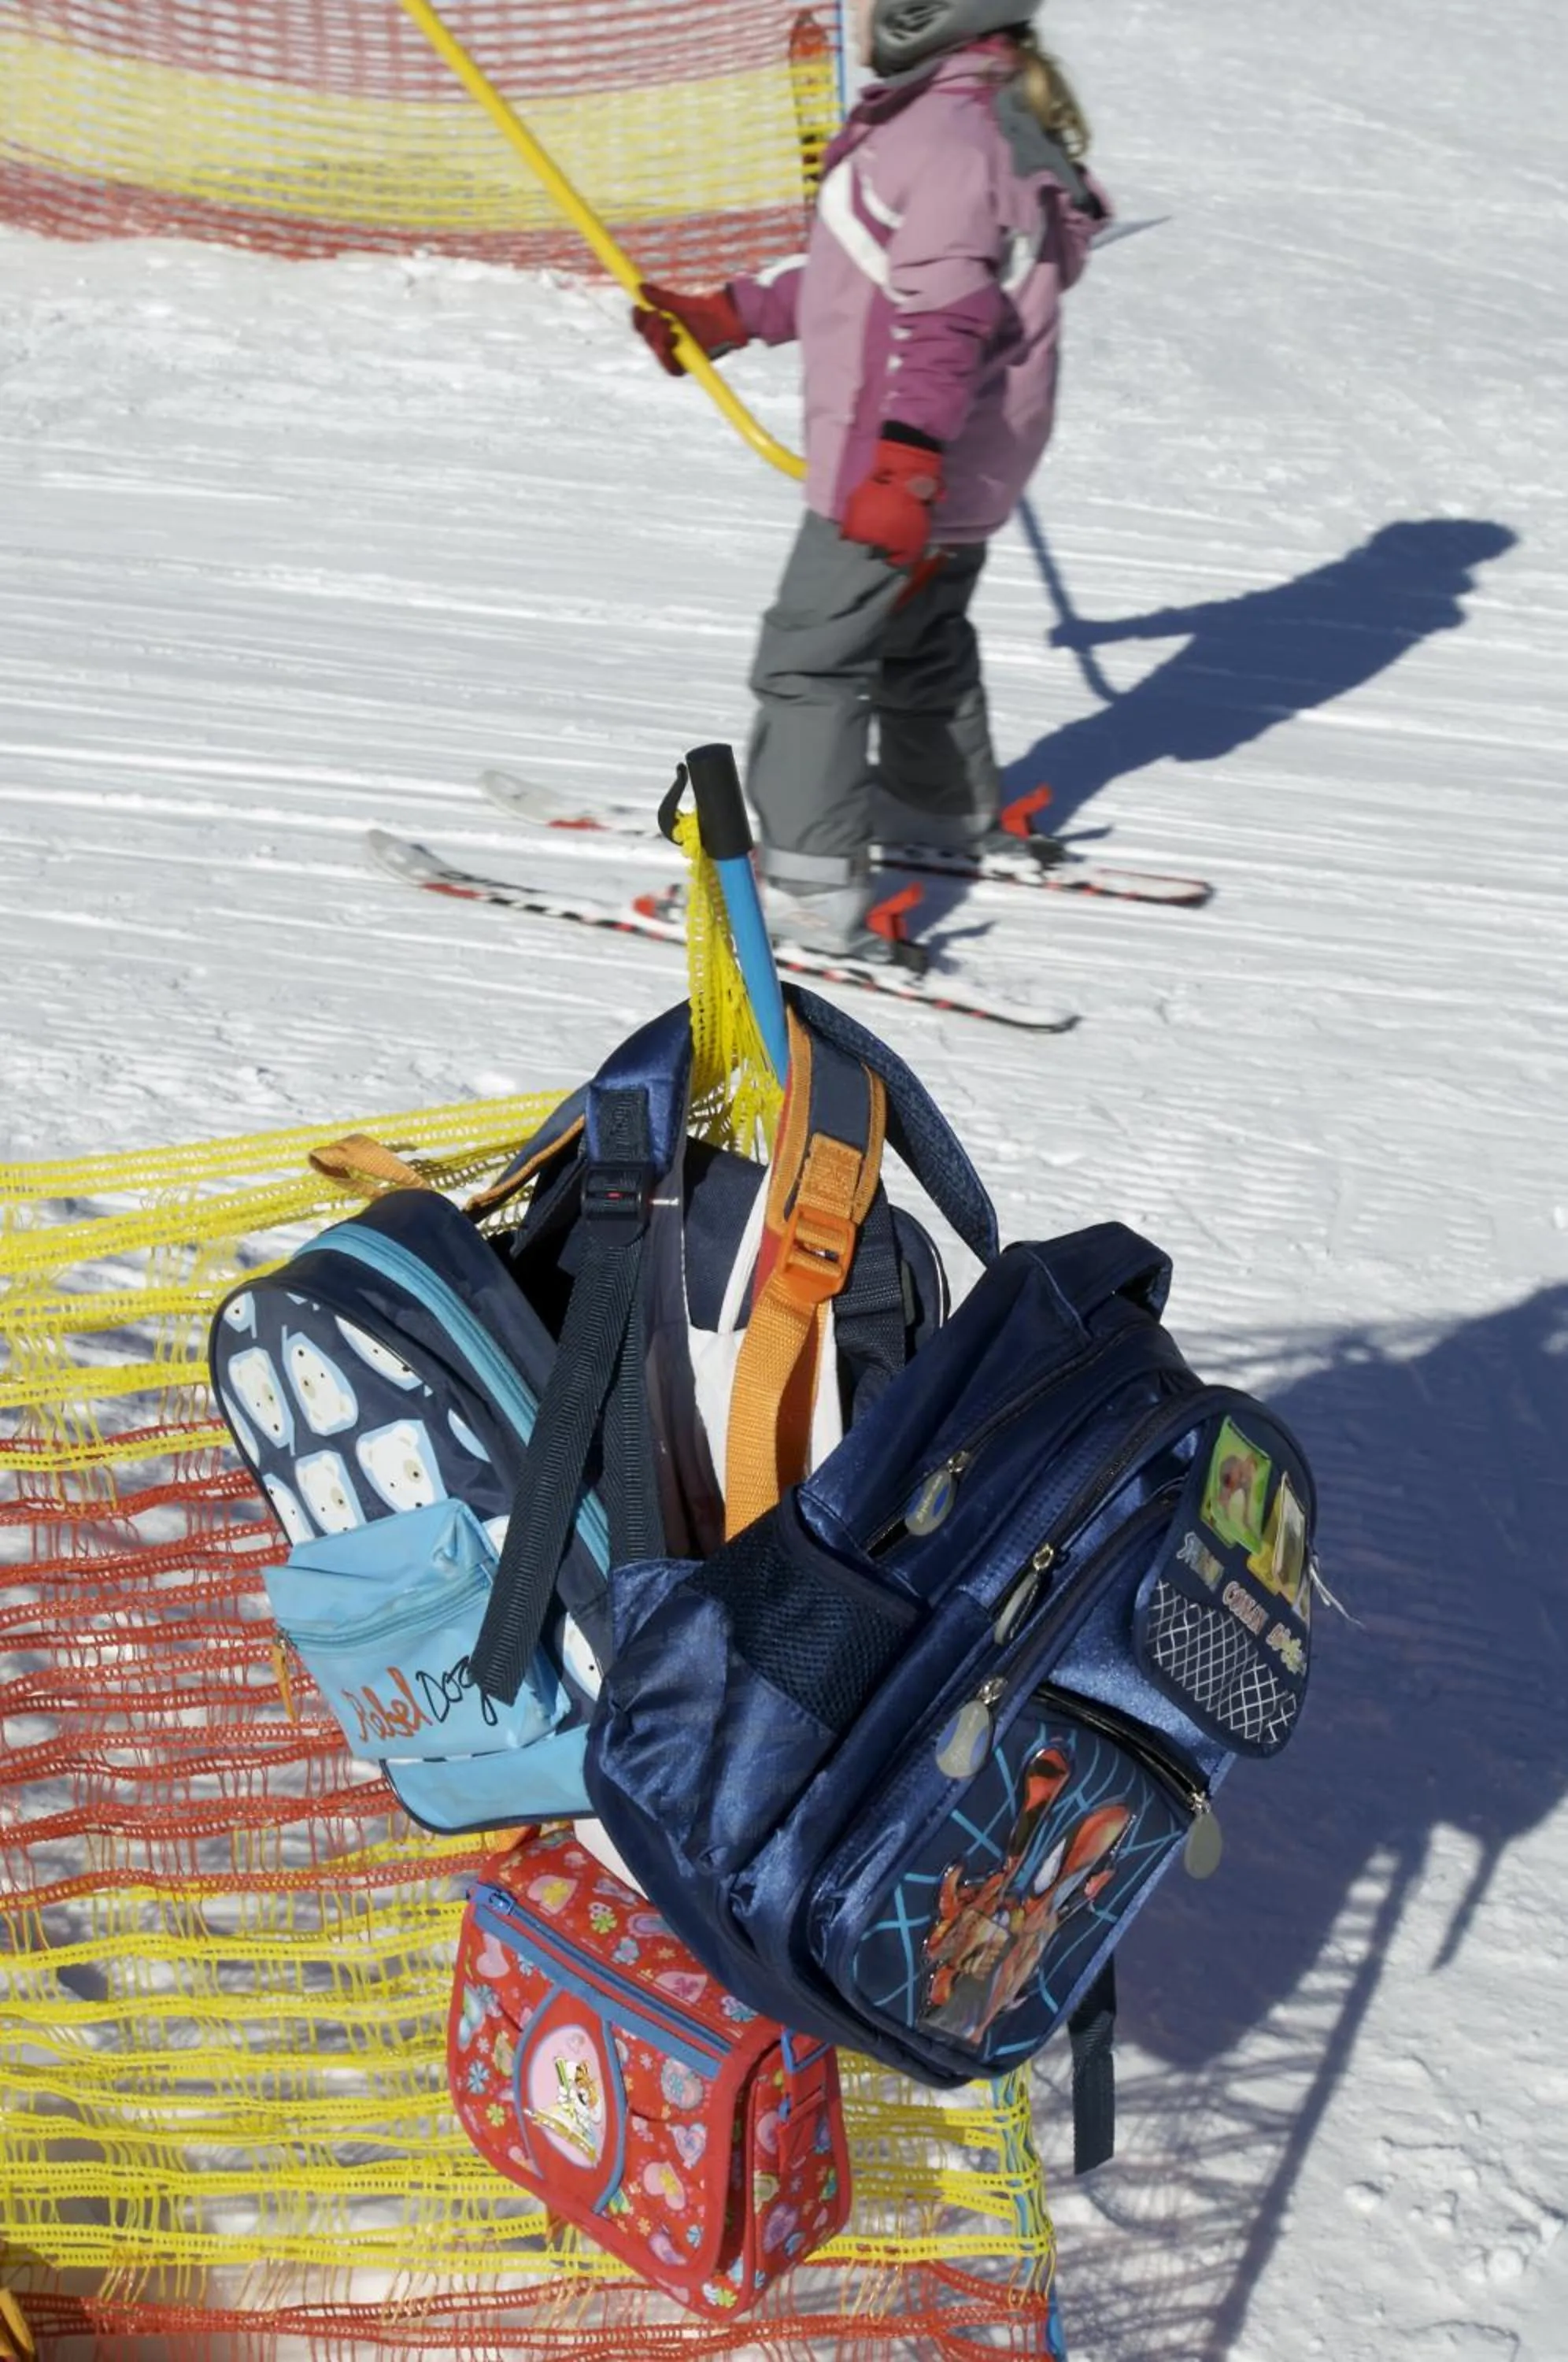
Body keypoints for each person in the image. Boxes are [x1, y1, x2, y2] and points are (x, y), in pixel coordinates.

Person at [633, 0, 1110, 962]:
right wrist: (737, 313)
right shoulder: (992, 122)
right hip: (969, 459)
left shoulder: (942, 134)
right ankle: (935, 808)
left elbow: (945, 318)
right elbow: (875, 273)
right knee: (917, 638)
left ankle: (810, 890)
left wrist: (902, 466)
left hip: (900, 460)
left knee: (811, 662)